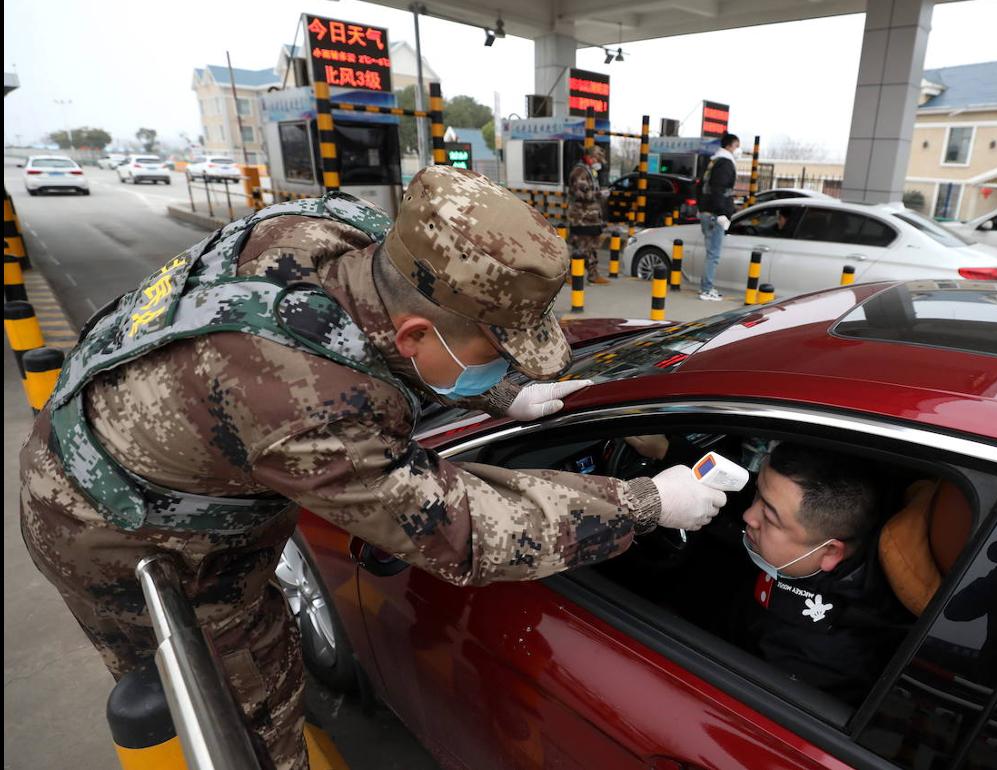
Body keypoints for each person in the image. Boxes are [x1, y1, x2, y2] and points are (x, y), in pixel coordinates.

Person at [19, 166, 727, 769]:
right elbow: (460, 530)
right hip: (118, 528)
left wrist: (501, 391)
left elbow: (381, 334)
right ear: (417, 333)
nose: (506, 365)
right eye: (499, 354)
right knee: (239, 701)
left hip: (133, 424)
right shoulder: (305, 404)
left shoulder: (345, 233)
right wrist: (646, 503)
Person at [734, 442, 911, 705]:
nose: (748, 515)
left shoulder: (818, 661)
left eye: (769, 518)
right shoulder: (832, 529)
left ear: (830, 552)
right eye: (758, 493)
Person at [697, 133, 741, 302]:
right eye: (736, 146)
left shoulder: (713, 161)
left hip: (707, 211)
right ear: (729, 145)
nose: (738, 149)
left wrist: (701, 208)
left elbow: (700, 186)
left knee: (710, 253)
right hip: (715, 214)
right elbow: (719, 189)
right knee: (714, 254)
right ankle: (706, 289)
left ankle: (706, 287)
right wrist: (722, 213)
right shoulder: (725, 163)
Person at [567, 144, 611, 285]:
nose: (598, 162)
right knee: (582, 247)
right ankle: (571, 275)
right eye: (597, 159)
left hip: (591, 217)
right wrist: (600, 194)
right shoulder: (579, 172)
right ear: (590, 157)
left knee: (590, 247)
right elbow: (581, 194)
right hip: (582, 217)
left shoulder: (590, 171)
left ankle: (592, 274)